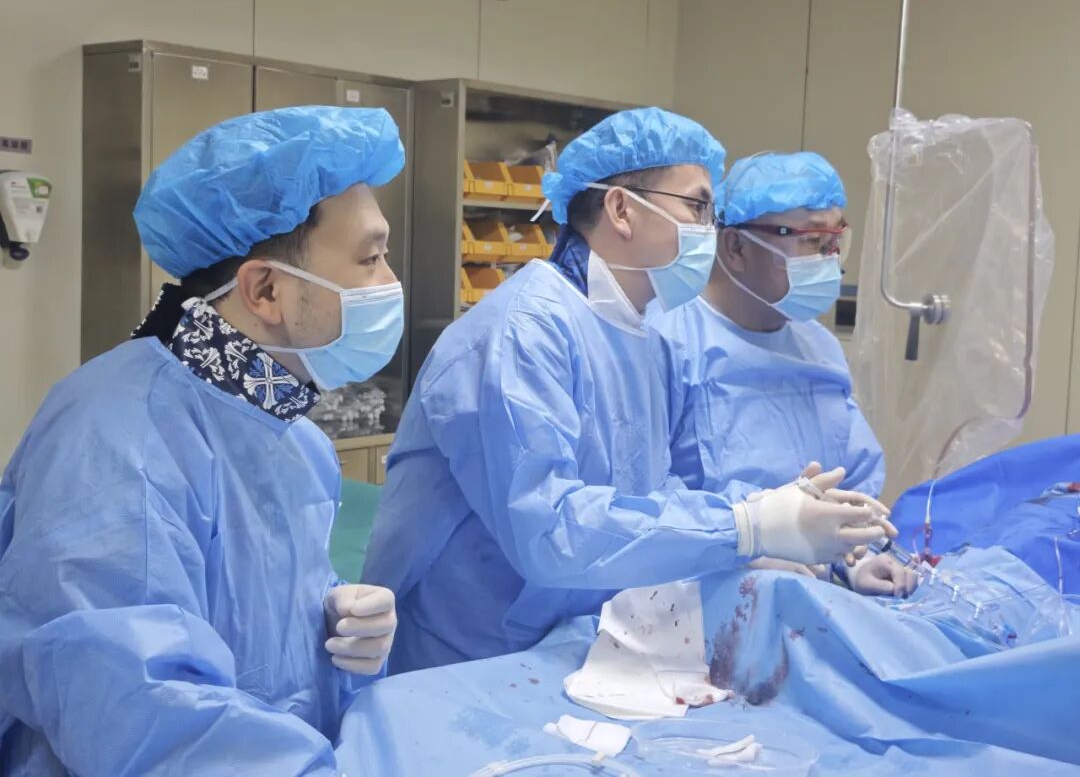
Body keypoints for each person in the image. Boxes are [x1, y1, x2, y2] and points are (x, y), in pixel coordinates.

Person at [363, 109, 889, 674]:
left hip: (568, 643)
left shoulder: (637, 333)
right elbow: (549, 530)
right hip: (468, 655)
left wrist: (765, 520)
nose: (710, 231)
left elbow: (649, 492)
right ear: (620, 209)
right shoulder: (522, 333)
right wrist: (745, 526)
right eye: (697, 207)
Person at [0, 106, 405, 775]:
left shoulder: (289, 435)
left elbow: (250, 614)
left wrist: (336, 623)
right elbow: (138, 711)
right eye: (370, 258)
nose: (389, 282)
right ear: (265, 289)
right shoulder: (117, 440)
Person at [650, 151, 910, 597]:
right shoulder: (664, 342)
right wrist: (742, 546)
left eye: (836, 242)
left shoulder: (818, 348)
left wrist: (855, 558)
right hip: (688, 599)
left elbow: (852, 479)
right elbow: (637, 499)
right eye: (813, 241)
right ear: (736, 248)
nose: (830, 260)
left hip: (813, 594)